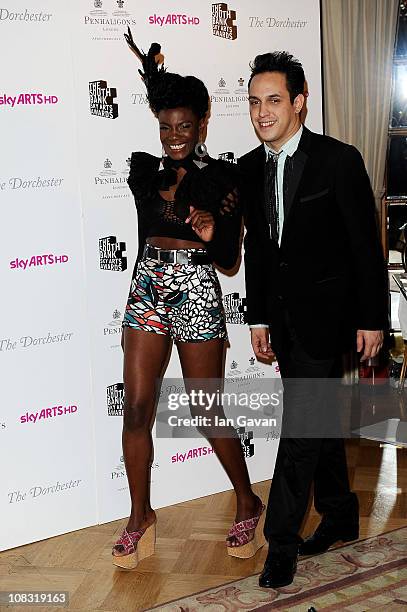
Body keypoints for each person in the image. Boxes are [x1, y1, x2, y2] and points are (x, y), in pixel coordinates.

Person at [112, 30, 265, 569]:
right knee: (135, 408)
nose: (174, 136)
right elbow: (153, 222)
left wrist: (210, 231)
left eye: (184, 126)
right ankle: (140, 516)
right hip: (148, 287)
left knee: (205, 406)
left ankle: (248, 500)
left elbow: (228, 259)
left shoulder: (224, 177)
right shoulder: (142, 173)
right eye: (166, 127)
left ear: (202, 124)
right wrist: (187, 219)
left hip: (197, 289)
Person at [240, 51, 387, 588]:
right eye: (254, 102)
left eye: (274, 100)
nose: (262, 112)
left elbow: (364, 249)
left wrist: (373, 319)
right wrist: (257, 318)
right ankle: (341, 512)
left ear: (300, 103)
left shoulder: (338, 160)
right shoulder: (251, 166)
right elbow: (258, 251)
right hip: (283, 321)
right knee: (318, 418)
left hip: (330, 319)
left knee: (301, 427)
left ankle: (281, 542)